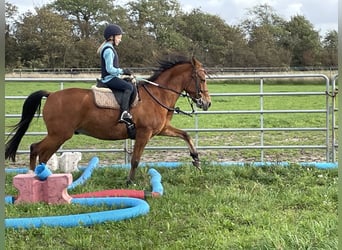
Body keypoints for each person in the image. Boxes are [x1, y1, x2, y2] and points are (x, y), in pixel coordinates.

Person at [97, 24, 134, 124]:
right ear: (111, 37)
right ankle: (124, 113)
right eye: (119, 37)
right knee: (128, 88)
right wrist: (122, 71)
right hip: (109, 79)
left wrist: (124, 75)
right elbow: (110, 69)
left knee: (130, 84)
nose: (120, 40)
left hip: (112, 77)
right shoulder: (108, 50)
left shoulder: (108, 48)